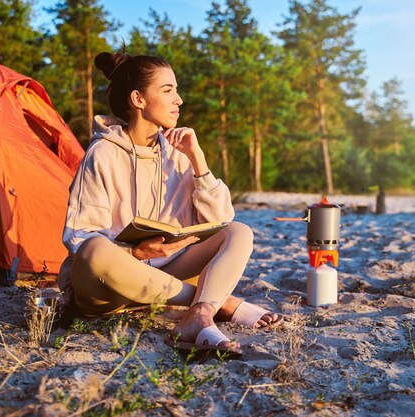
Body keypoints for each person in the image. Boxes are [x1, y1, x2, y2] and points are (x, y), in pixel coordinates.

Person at [57, 51, 282, 356]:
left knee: (238, 231)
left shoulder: (179, 153)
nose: (179, 100)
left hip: (168, 273)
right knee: (94, 250)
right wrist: (134, 252)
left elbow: (220, 218)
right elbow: (80, 234)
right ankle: (219, 304)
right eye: (168, 90)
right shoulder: (102, 154)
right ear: (138, 99)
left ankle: (200, 313)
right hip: (107, 288)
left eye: (176, 90)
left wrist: (198, 158)